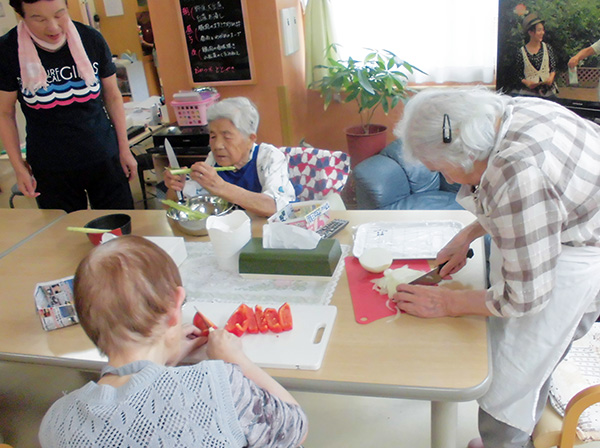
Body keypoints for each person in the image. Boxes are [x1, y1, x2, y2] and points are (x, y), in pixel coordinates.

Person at [393, 87, 600, 448]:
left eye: (441, 169)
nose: (449, 180)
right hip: (569, 219)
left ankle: (505, 442)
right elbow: (528, 200)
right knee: (535, 366)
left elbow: (523, 299)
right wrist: (470, 232)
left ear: (467, 154)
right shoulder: (506, 112)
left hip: (579, 253)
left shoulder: (519, 173)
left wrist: (447, 304)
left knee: (514, 377)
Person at [39, 235, 308, 447]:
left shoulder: (55, 420)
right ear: (174, 308)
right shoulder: (220, 384)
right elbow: (295, 428)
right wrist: (235, 359)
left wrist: (165, 360)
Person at [0, 0, 136, 213]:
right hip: (50, 164)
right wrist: (18, 168)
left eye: (59, 14)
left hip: (102, 153)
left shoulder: (91, 39)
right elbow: (4, 114)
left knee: (120, 227)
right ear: (21, 16)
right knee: (65, 234)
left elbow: (112, 97)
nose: (53, 27)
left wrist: (124, 149)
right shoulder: (7, 50)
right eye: (39, 19)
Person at [164, 97, 295, 217]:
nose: (217, 145)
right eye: (213, 136)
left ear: (250, 139)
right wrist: (175, 187)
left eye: (227, 137)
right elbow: (174, 207)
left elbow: (275, 206)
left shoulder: (269, 157)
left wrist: (221, 187)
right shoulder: (213, 159)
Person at [513, 13, 558, 98]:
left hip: (548, 92)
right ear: (530, 32)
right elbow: (518, 75)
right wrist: (527, 83)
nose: (542, 33)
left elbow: (553, 68)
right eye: (539, 30)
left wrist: (551, 78)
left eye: (543, 30)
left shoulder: (547, 48)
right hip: (529, 93)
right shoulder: (521, 52)